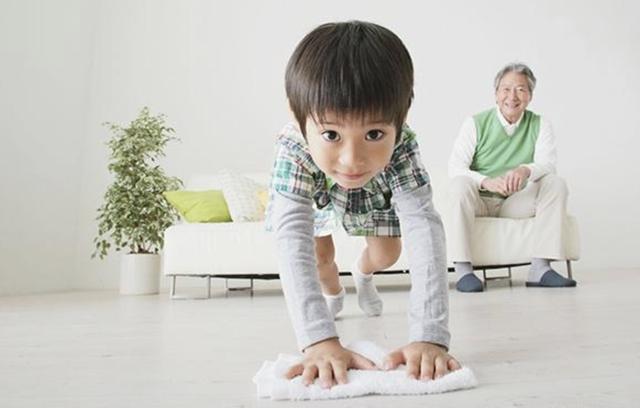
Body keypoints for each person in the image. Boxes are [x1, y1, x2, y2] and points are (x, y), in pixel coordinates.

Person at [265, 21, 460, 388]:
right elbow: (291, 233)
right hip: (320, 190)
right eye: (331, 134)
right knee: (319, 258)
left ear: (400, 121)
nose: (352, 159)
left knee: (388, 254)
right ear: (297, 117)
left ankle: (363, 273)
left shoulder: (402, 147)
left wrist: (429, 335)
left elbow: (422, 224)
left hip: (375, 190)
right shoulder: (293, 147)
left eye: (374, 134)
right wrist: (319, 339)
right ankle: (335, 291)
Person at [448, 62, 577, 293]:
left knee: (555, 183)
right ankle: (464, 270)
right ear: (496, 95)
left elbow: (548, 164)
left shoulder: (540, 124)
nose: (512, 96)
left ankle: (540, 269)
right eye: (506, 89)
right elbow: (456, 167)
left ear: (529, 96)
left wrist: (525, 170)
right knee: (458, 185)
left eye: (520, 89)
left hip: (514, 202)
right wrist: (486, 181)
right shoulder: (475, 123)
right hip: (480, 200)